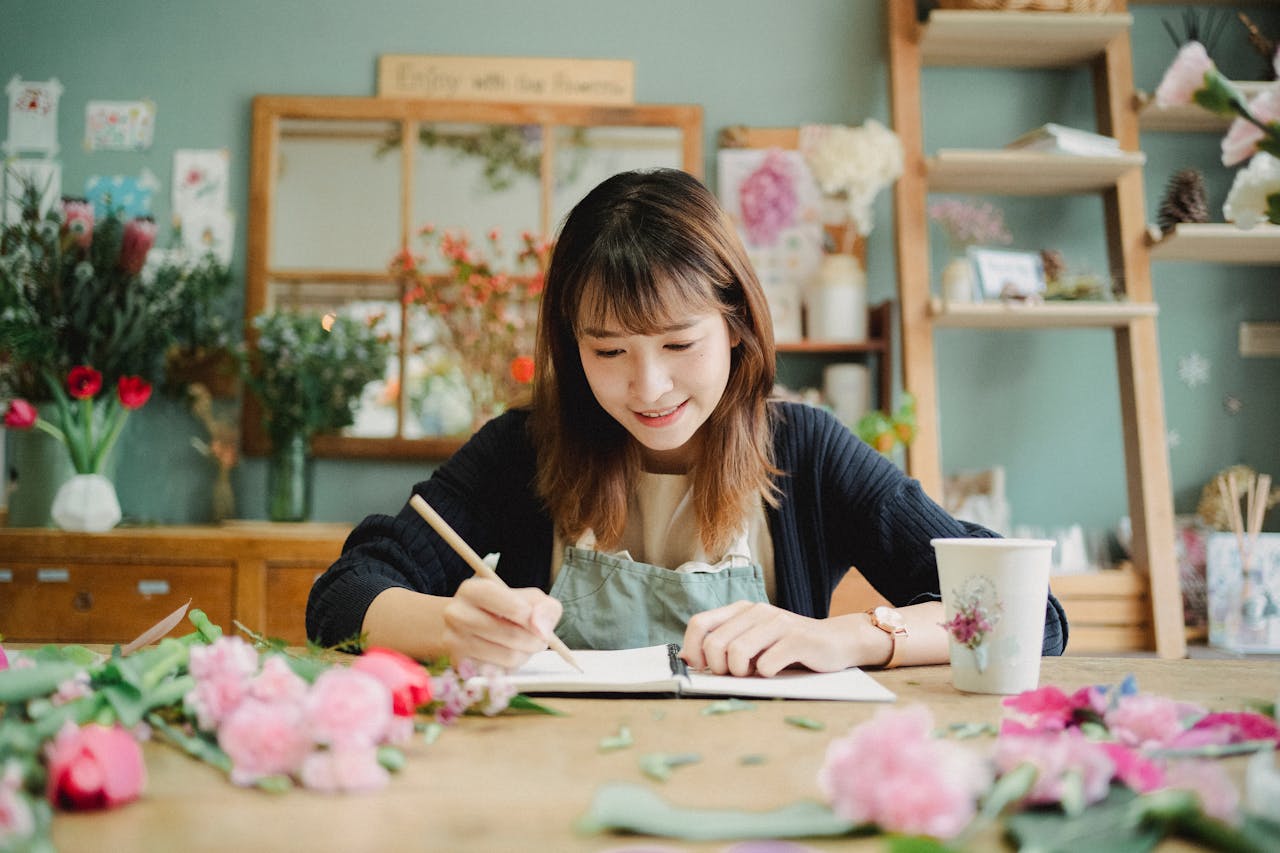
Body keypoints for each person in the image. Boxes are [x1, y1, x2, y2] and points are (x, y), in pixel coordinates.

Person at [306, 167, 1068, 675]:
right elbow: (341, 594)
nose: (650, 385)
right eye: (609, 349)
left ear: (735, 325)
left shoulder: (805, 448)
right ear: (573, 347)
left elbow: (1027, 612)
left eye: (679, 343)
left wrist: (843, 636)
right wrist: (450, 625)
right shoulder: (523, 448)